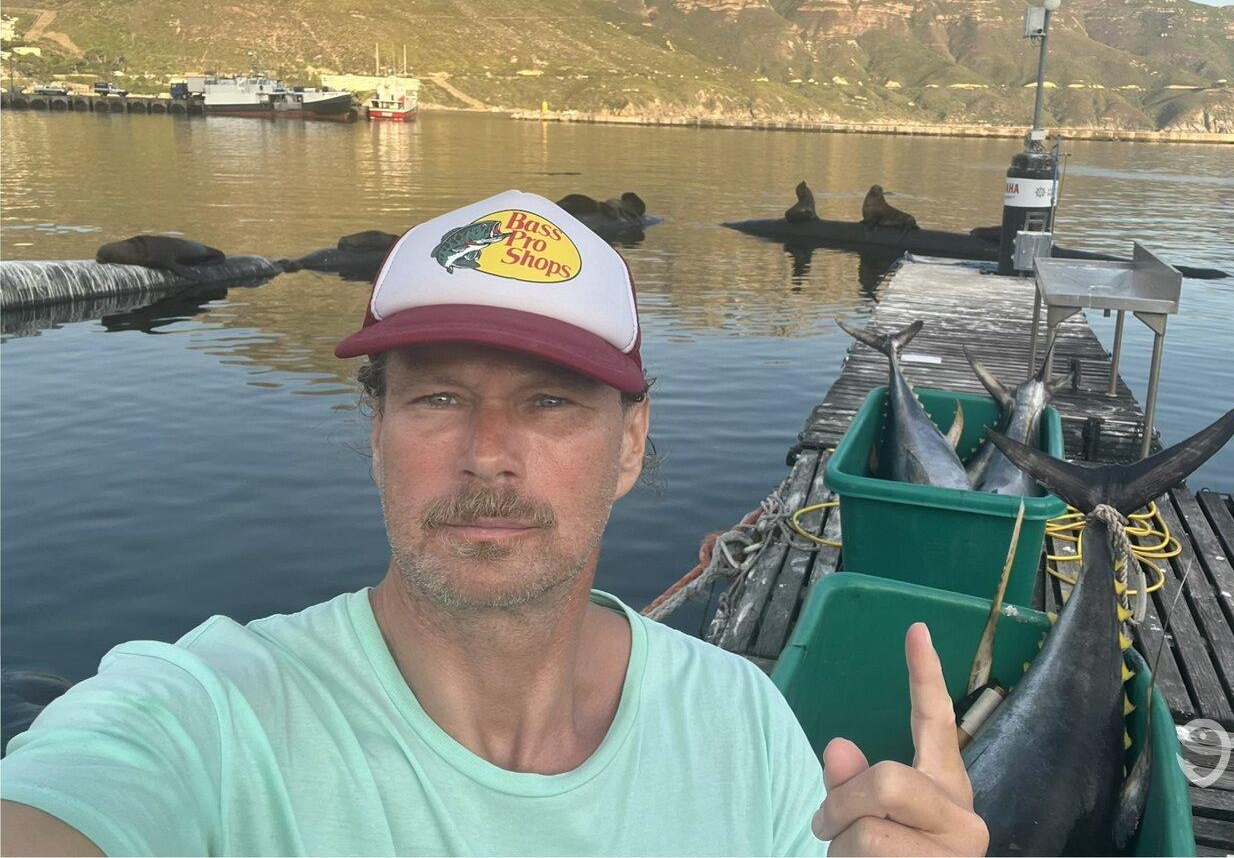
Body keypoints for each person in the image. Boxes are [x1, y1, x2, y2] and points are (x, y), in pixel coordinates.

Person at [2, 191, 986, 857]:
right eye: (436, 398)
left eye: (550, 402)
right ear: (376, 432)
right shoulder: (208, 717)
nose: (487, 454)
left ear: (630, 444)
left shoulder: (741, 724)